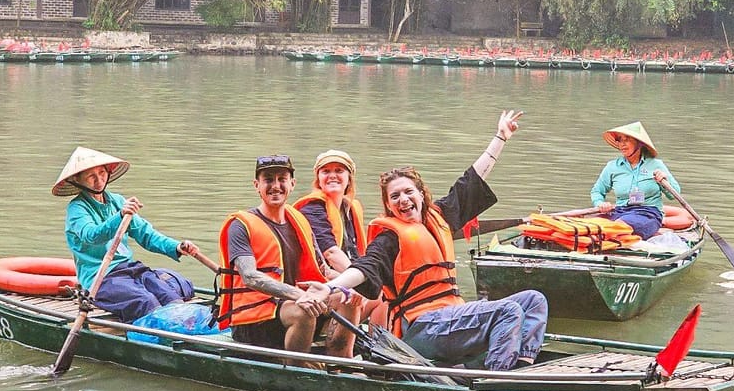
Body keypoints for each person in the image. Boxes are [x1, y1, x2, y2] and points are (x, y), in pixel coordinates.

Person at [299, 111, 549, 371]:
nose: (403, 200)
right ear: (388, 205)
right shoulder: (389, 238)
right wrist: (329, 288)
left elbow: (472, 180)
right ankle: (497, 381)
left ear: (421, 194)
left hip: (452, 315)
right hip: (421, 327)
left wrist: (500, 137)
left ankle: (521, 366)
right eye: (394, 197)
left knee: (533, 300)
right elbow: (363, 269)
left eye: (408, 192)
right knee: (507, 311)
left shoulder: (440, 215)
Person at [216, 154, 360, 364]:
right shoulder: (241, 225)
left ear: (292, 184)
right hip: (255, 319)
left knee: (348, 298)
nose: (276, 186)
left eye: (282, 179)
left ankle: (340, 362)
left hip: (292, 305)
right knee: (303, 311)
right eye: (268, 179)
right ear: (257, 185)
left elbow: (324, 270)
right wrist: (298, 295)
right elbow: (250, 277)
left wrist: (350, 286)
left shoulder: (299, 221)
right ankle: (297, 370)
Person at [52, 147, 201, 323]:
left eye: (101, 173)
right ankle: (164, 340)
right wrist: (120, 217)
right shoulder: (76, 209)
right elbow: (91, 236)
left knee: (170, 296)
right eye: (91, 176)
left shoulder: (118, 201)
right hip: (101, 278)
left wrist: (176, 247)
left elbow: (147, 235)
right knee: (145, 302)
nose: (99, 180)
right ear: (78, 180)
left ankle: (189, 332)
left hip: (130, 269)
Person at [293, 150, 386, 325]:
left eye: (339, 171)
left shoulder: (348, 209)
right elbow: (331, 254)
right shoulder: (313, 209)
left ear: (349, 178)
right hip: (314, 290)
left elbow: (356, 256)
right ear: (318, 179)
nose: (332, 176)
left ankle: (377, 344)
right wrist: (362, 281)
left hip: (338, 280)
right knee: (375, 293)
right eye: (326, 171)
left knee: (388, 291)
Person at [590, 121, 681, 239]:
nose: (622, 144)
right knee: (590, 227)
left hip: (648, 214)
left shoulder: (655, 165)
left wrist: (664, 180)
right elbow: (597, 191)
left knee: (618, 227)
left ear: (639, 143)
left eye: (627, 139)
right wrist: (600, 203)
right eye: (620, 140)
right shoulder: (612, 167)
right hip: (620, 212)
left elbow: (674, 194)